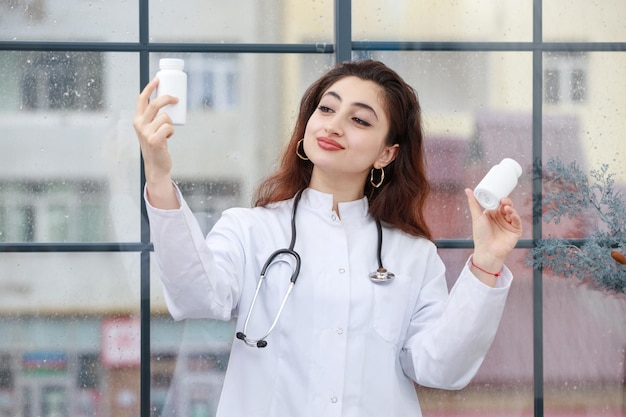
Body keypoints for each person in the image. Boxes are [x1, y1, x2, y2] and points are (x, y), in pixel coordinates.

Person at [133, 59, 522, 417]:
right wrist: (158, 176)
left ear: (386, 154)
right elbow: (195, 297)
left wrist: (487, 263)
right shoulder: (250, 229)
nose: (334, 125)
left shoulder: (413, 256)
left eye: (360, 121)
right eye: (326, 108)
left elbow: (442, 367)